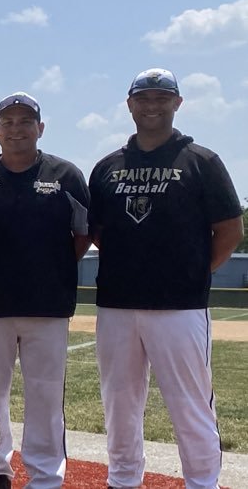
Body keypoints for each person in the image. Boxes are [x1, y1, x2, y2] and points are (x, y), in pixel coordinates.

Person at [88, 68, 239, 489]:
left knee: (190, 406)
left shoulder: (201, 161)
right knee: (120, 406)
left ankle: (203, 482)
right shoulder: (107, 167)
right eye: (144, 98)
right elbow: (98, 230)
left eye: (161, 98)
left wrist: (191, 271)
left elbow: (229, 229)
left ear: (177, 103)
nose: (152, 105)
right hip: (117, 304)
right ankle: (122, 481)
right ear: (130, 104)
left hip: (180, 306)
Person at [0, 92, 89, 489]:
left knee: (44, 398)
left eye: (25, 121)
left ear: (40, 128)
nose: (16, 129)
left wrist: (53, 269)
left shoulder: (66, 174)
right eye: (7, 122)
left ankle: (44, 477)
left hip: (49, 305)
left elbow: (83, 233)